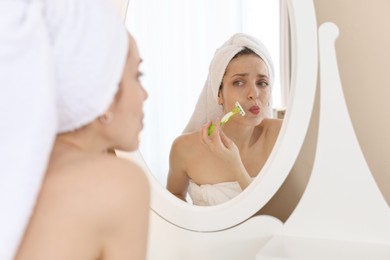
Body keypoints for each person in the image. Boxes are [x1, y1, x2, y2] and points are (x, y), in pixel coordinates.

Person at [1, 1, 149, 259]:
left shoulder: (15, 173)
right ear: (105, 92)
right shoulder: (117, 183)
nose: (144, 94)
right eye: (137, 75)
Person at [166, 33, 282, 206]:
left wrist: (235, 164)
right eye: (239, 82)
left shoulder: (282, 135)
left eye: (262, 83)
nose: (254, 94)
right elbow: (174, 199)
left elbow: (280, 216)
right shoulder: (184, 149)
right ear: (219, 94)